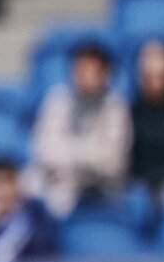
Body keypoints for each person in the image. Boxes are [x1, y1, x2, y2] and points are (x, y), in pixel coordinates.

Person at [29, 41, 131, 219]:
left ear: (105, 74)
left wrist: (69, 152)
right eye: (79, 70)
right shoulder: (57, 100)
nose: (84, 76)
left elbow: (113, 162)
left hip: (102, 190)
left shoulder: (116, 107)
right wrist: (88, 152)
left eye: (92, 71)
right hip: (57, 185)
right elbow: (44, 151)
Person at [129, 38, 164, 231]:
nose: (156, 82)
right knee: (136, 202)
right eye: (149, 76)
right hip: (139, 184)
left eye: (161, 76)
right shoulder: (129, 112)